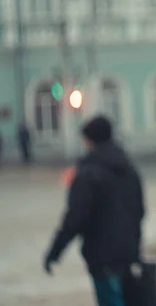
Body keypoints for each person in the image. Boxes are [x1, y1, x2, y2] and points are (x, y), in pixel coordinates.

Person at [43, 115, 145, 306]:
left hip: (101, 254)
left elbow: (74, 218)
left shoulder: (88, 173)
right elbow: (139, 211)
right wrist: (134, 247)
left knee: (111, 300)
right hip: (128, 252)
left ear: (89, 140)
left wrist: (54, 252)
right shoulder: (129, 168)